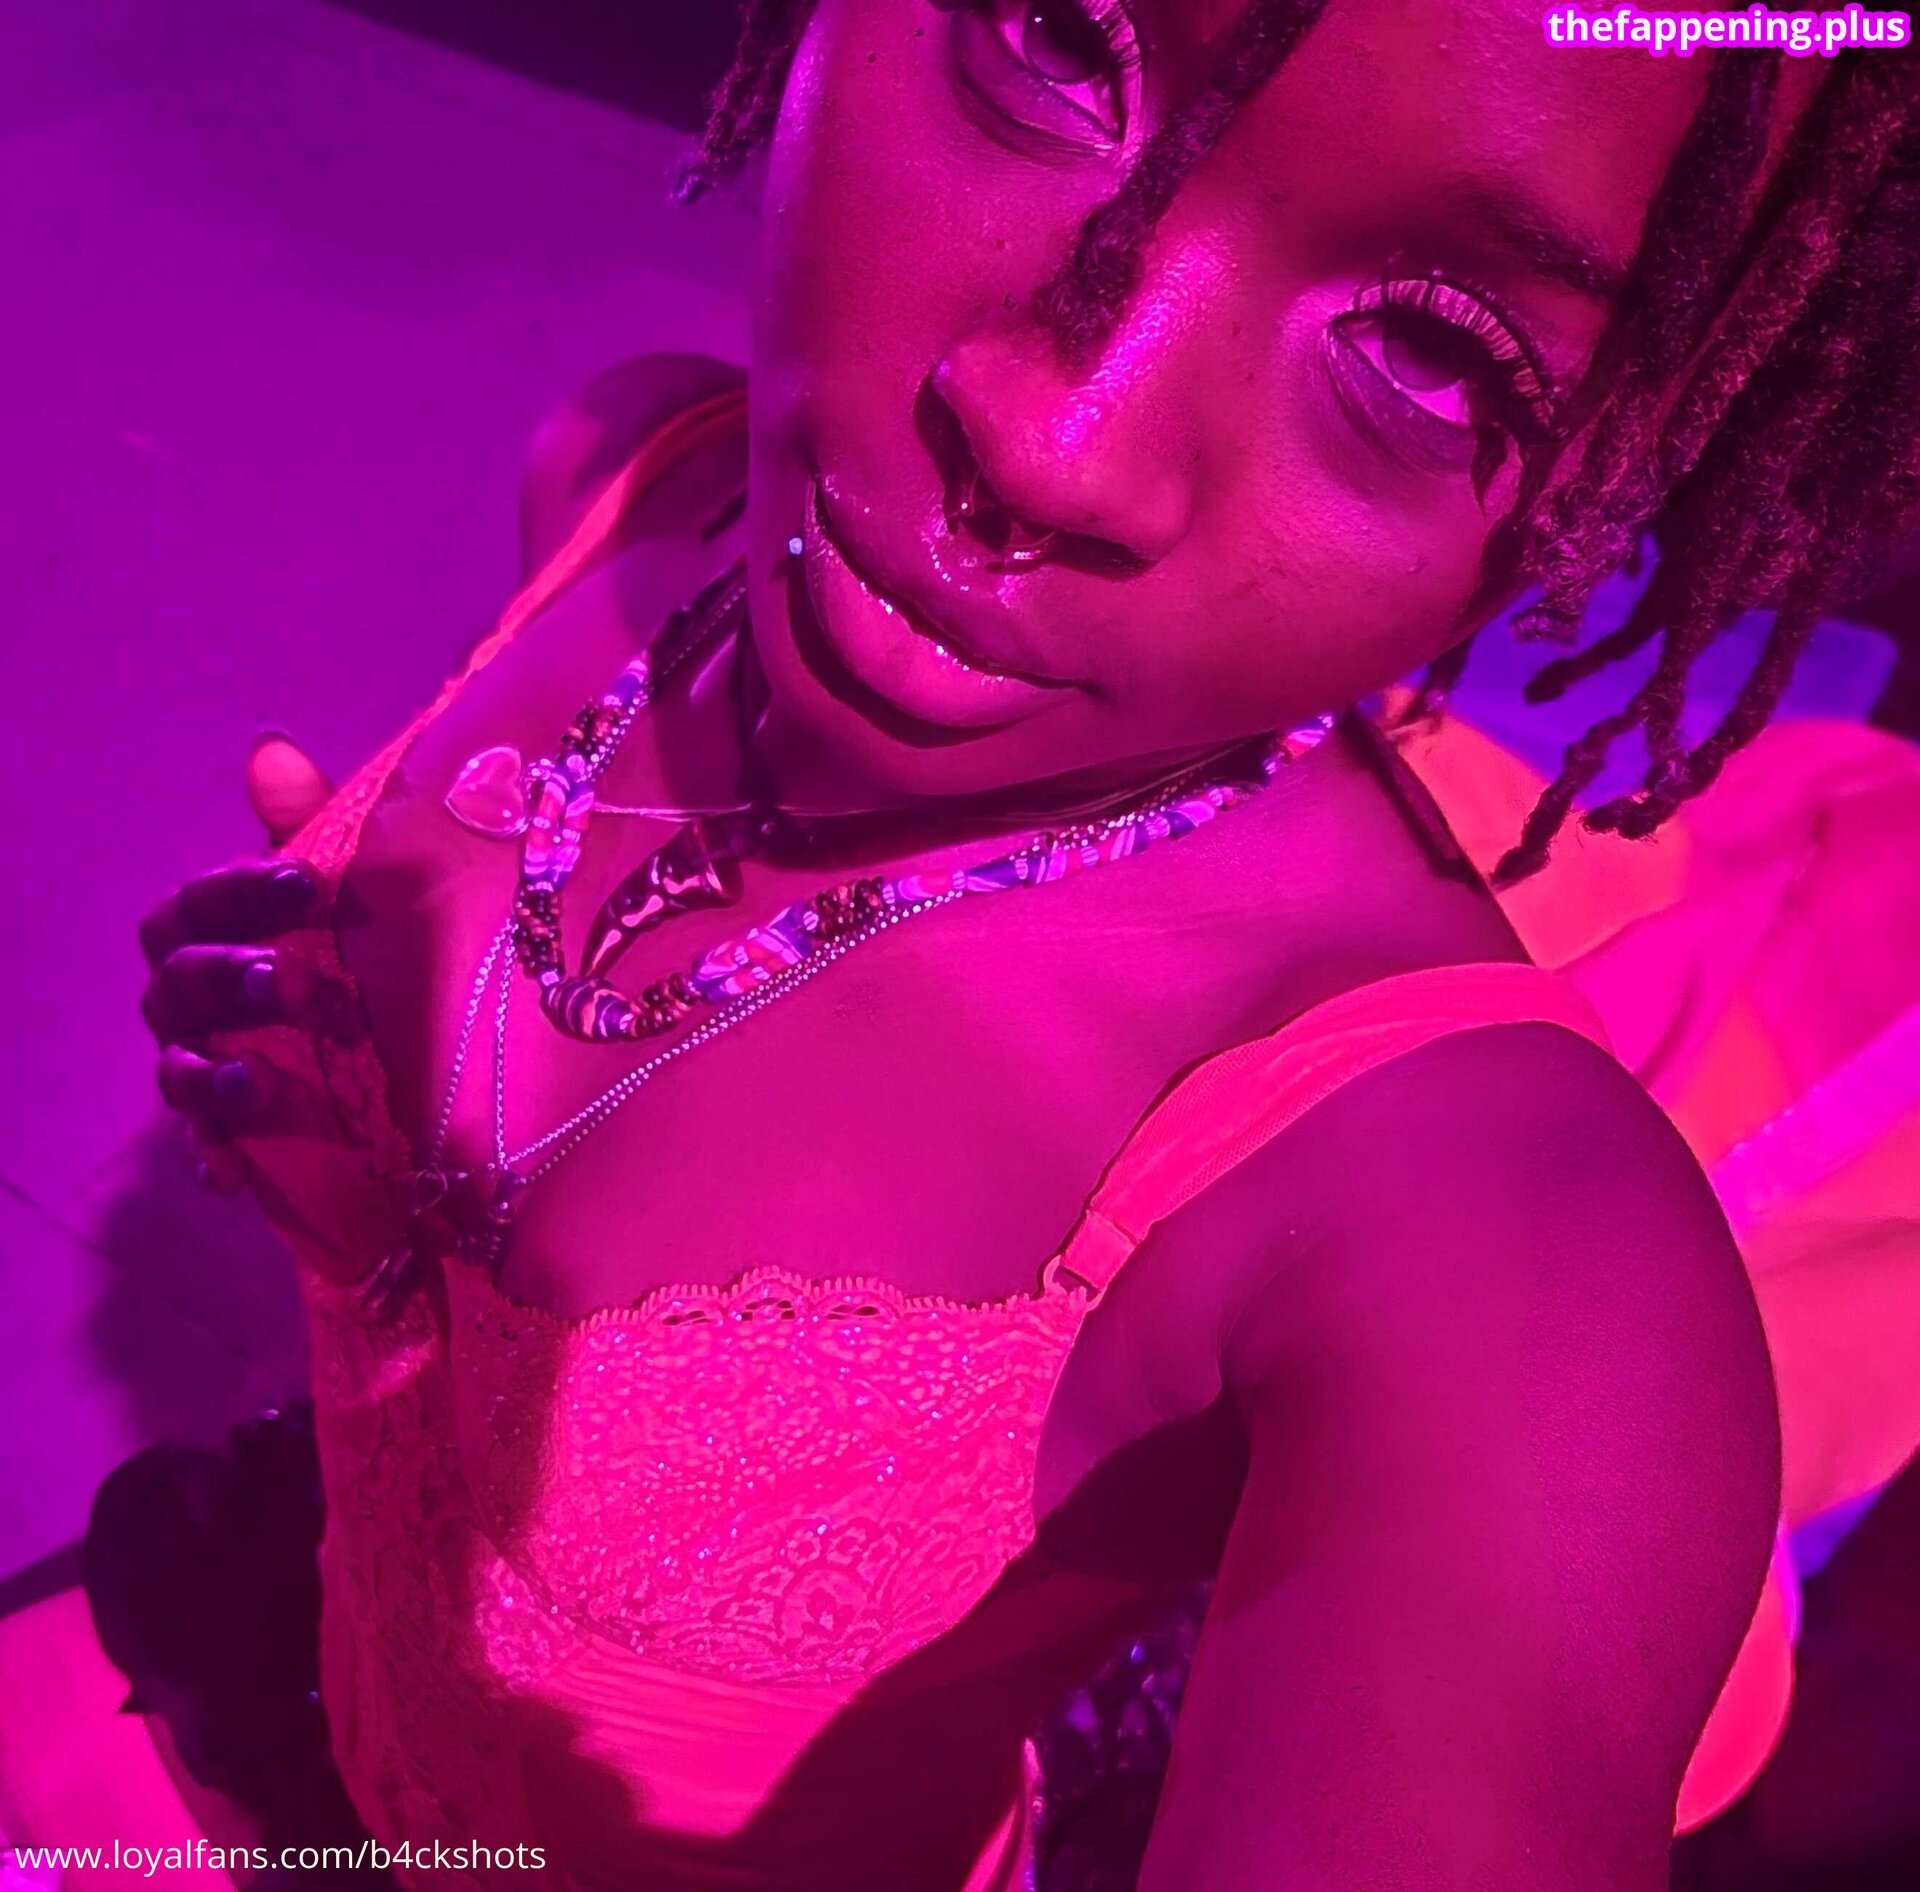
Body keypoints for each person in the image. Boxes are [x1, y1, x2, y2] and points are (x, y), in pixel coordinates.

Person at [130, 8, 1920, 1888]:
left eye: (1430, 350)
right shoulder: (635, 490)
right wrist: (366, 1168)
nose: (1054, 444)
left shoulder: (1477, 1250)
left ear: (1633, 467)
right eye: (1060, 42)